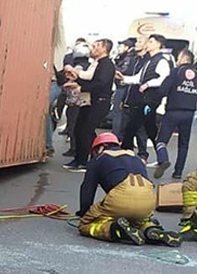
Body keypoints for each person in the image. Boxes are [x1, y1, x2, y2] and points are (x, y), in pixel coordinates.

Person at [77, 133, 181, 247]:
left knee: (85, 225)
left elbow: (87, 189)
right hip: (147, 201)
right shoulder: (134, 156)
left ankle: (115, 230)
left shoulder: (99, 159)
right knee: (138, 221)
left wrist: (85, 213)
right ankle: (150, 230)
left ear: (101, 147)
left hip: (120, 200)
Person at [116, 34, 171, 162]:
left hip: (150, 100)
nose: (148, 43)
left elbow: (164, 78)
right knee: (148, 129)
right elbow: (138, 78)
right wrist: (123, 78)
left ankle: (128, 156)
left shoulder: (161, 61)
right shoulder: (149, 61)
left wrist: (148, 84)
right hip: (143, 99)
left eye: (151, 41)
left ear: (158, 44)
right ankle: (162, 158)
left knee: (133, 128)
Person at [63, 39, 116, 171]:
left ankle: (85, 162)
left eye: (96, 46)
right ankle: (82, 158)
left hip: (100, 101)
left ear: (104, 49)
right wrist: (76, 80)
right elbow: (90, 80)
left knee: (85, 131)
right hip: (89, 101)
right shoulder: (97, 63)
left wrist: (81, 88)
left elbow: (101, 83)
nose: (92, 48)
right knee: (79, 129)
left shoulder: (107, 64)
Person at [154, 49, 197, 179]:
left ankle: (163, 159)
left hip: (173, 111)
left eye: (178, 57)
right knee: (184, 143)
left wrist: (155, 101)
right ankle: (178, 172)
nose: (177, 60)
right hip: (189, 113)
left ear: (184, 58)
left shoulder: (175, 72)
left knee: (161, 140)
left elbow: (163, 89)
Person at [62, 41, 91, 158]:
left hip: (75, 100)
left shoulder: (78, 66)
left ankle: (74, 149)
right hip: (83, 100)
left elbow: (71, 79)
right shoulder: (89, 65)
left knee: (74, 125)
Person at [111, 37, 136, 137]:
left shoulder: (128, 58)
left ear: (127, 47)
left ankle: (116, 135)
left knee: (118, 112)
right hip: (122, 87)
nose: (119, 48)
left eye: (121, 46)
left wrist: (113, 66)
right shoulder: (124, 57)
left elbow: (123, 71)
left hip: (123, 87)